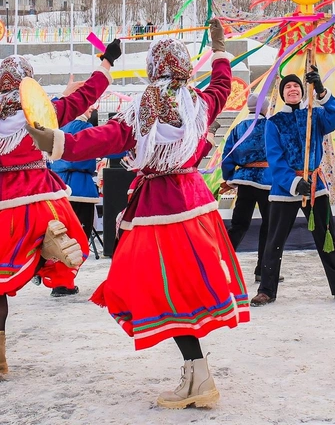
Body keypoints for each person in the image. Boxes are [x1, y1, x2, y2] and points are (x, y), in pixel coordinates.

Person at [27, 21, 250, 409]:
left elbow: (107, 137)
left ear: (151, 67)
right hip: (194, 202)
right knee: (183, 289)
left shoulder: (143, 107)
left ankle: (199, 376)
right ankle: (197, 374)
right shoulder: (199, 102)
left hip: (157, 207)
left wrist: (58, 142)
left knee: (156, 289)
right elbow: (222, 85)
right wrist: (219, 48)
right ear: (183, 67)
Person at [0, 40, 120, 377]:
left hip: (3, 205)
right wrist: (106, 62)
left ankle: (0, 357)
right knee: (58, 234)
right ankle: (47, 252)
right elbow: (85, 96)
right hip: (40, 198)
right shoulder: (41, 112)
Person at [250, 66, 335, 306]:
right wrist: (294, 183)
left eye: (296, 85)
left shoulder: (315, 115)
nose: (293, 89)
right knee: (274, 241)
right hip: (284, 189)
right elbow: (274, 159)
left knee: (327, 237)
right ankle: (267, 289)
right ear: (283, 94)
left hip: (316, 186)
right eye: (287, 86)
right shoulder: (273, 122)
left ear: (302, 90)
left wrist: (320, 90)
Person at [221, 93, 274, 283]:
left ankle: (221, 264)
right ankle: (263, 270)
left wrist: (229, 178)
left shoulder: (238, 129)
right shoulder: (271, 126)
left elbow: (227, 156)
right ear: (264, 108)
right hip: (267, 181)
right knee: (269, 226)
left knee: (239, 225)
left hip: (244, 181)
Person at [48, 105, 100, 297]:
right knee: (78, 238)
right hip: (81, 188)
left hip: (58, 189)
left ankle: (54, 276)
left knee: (59, 237)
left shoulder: (56, 128)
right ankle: (65, 281)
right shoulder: (86, 130)